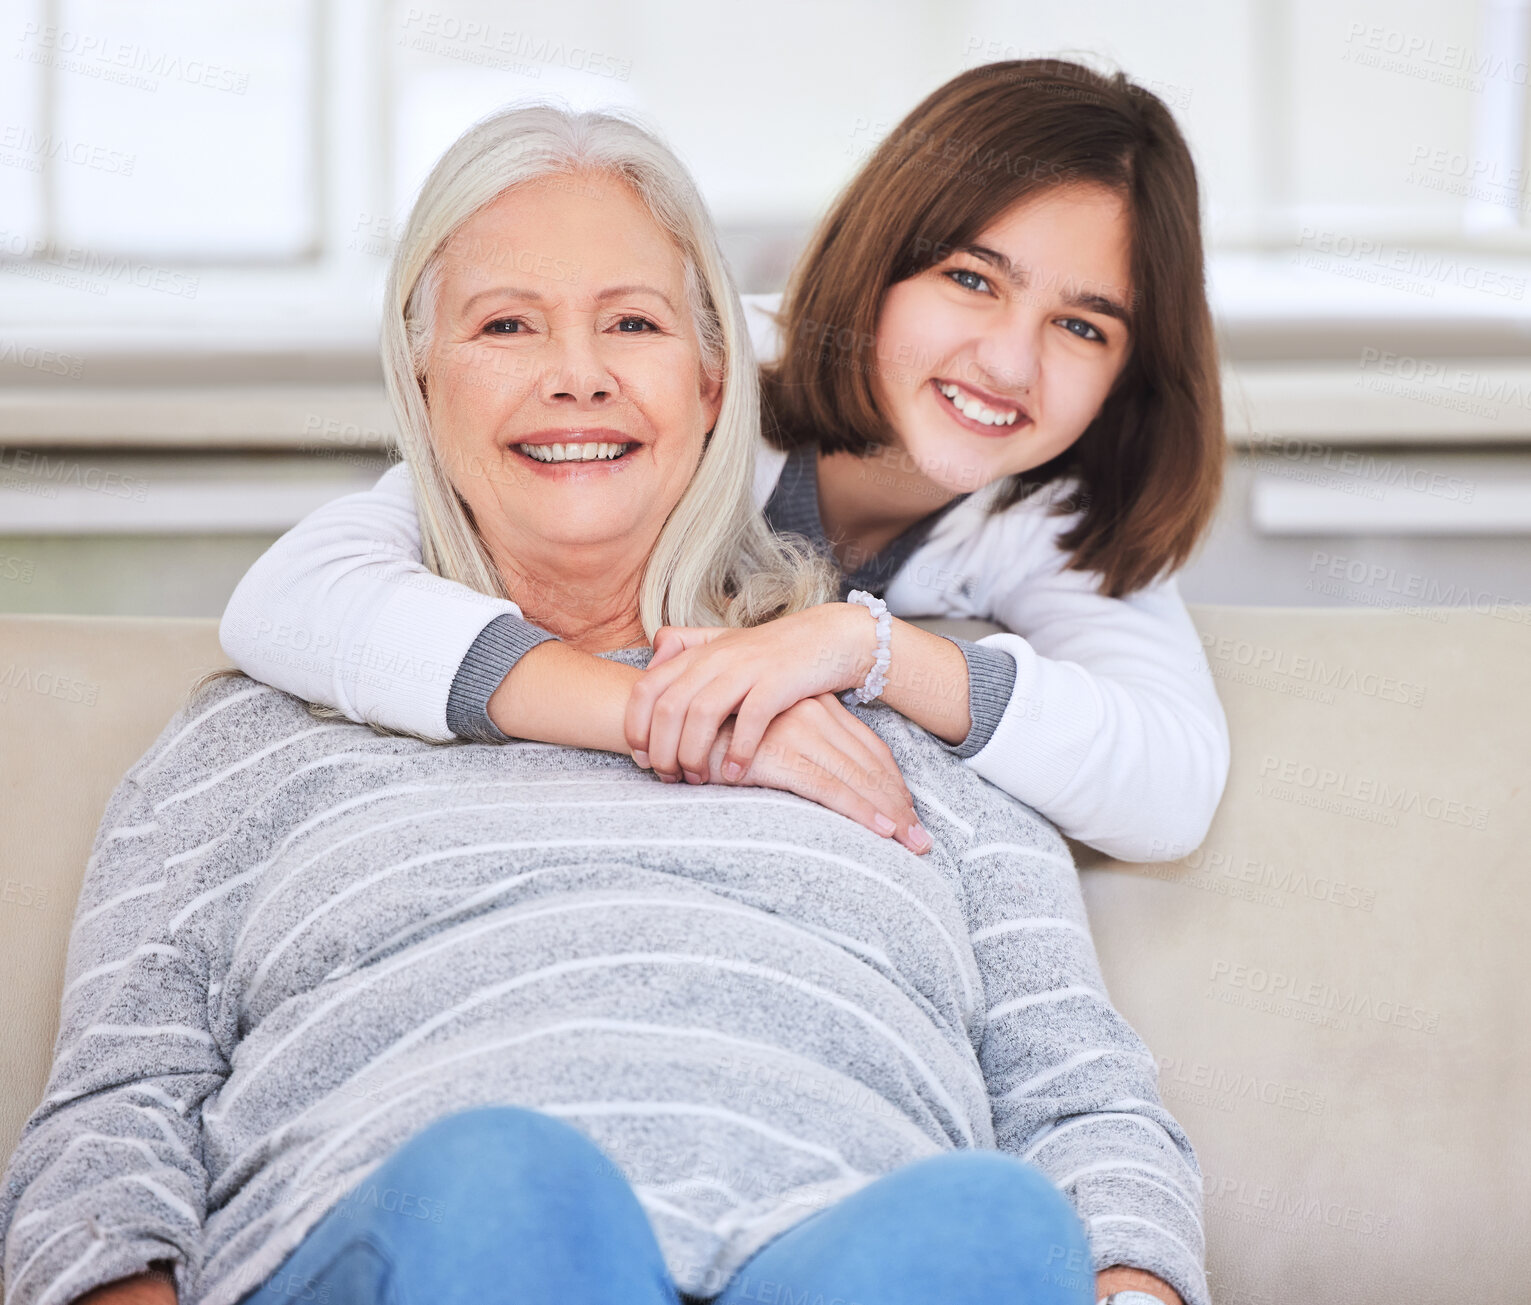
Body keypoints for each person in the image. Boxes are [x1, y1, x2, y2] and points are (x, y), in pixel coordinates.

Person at [0, 106, 1205, 1305]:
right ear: (420, 382)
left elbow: (1081, 1099)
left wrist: (860, 653)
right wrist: (648, 709)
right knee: (509, 1192)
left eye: (630, 323)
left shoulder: (923, 716)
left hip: (836, 1261)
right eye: (506, 325)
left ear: (711, 376)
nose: (575, 376)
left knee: (989, 1221)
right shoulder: (275, 713)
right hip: (446, 1249)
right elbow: (116, 1112)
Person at [218, 59, 1230, 866]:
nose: (1010, 361)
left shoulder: (1062, 512)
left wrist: (862, 646)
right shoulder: (672, 375)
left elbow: (1168, 791)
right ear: (877, 259)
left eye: (1082, 327)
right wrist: (673, 716)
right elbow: (295, 596)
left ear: (1130, 372)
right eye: (970, 278)